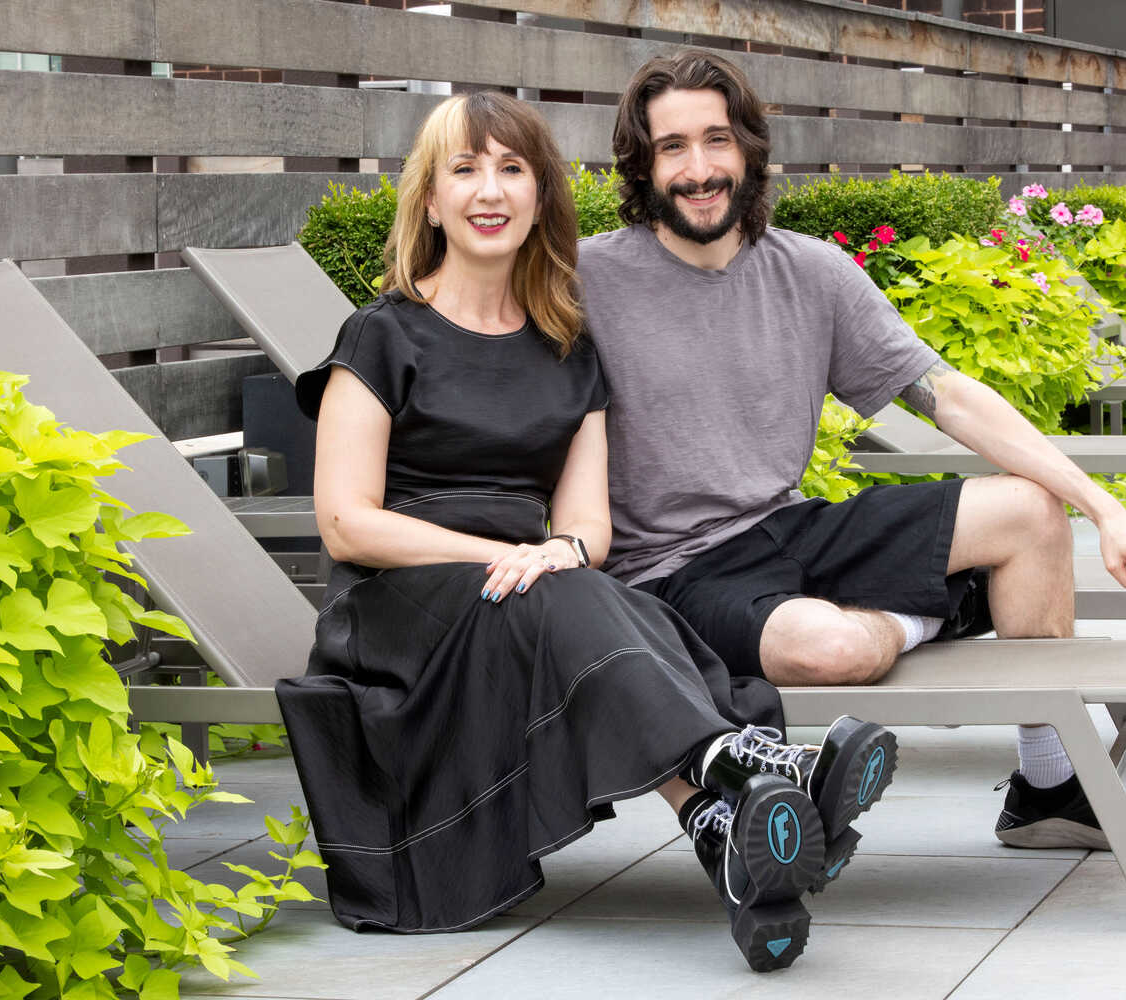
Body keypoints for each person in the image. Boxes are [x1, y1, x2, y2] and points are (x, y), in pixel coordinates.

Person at [276, 91, 898, 973]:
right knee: (566, 591)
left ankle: (725, 828)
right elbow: (346, 524)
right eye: (464, 169)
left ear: (541, 197)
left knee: (593, 587)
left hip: (517, 598)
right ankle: (757, 765)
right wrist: (516, 556)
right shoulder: (383, 335)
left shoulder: (569, 349)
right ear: (429, 199)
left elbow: (584, 529)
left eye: (512, 169)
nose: (488, 191)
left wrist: (553, 556)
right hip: (397, 608)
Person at [576, 51, 1126, 851]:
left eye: (716, 140)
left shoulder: (812, 272)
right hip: (676, 571)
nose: (699, 168)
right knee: (833, 648)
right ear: (642, 165)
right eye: (672, 147)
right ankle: (941, 607)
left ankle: (1050, 784)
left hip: (793, 528)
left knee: (1031, 512)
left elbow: (949, 395)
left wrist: (1107, 510)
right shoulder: (585, 277)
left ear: (749, 147)